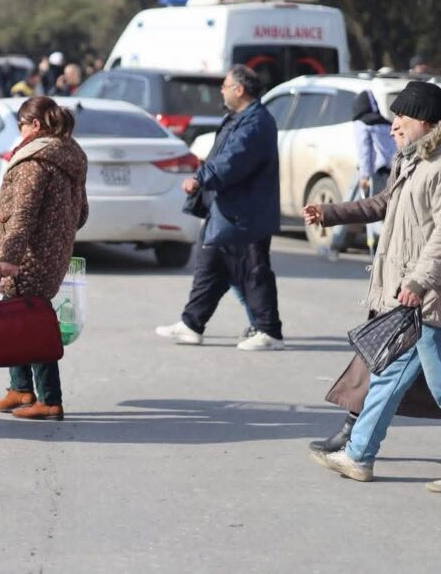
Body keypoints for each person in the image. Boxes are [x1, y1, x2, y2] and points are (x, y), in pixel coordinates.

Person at [307, 81, 441, 488]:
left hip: (428, 296)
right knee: (387, 376)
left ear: (425, 121)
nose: (393, 126)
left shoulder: (438, 167)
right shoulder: (412, 161)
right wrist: (330, 213)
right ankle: (358, 455)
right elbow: (382, 204)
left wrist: (419, 280)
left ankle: (358, 453)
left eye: (401, 117)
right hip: (411, 298)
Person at [155, 64, 284, 351]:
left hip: (246, 214)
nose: (222, 92)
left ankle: (269, 332)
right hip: (227, 209)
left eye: (225, 86)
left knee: (254, 271)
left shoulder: (255, 123)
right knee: (210, 267)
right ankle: (191, 324)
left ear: (239, 89)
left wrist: (201, 178)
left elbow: (233, 160)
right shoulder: (239, 118)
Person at [0, 96, 88, 421]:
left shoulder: (34, 160)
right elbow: (82, 212)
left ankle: (50, 399)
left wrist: (10, 255)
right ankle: (21, 388)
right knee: (17, 319)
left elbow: (24, 214)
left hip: (29, 256)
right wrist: (59, 233)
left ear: (36, 125)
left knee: (33, 324)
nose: (20, 132)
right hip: (51, 251)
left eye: (21, 126)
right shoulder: (70, 155)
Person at [328, 90, 395, 257]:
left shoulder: (362, 123)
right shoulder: (386, 123)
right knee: (381, 210)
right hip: (388, 173)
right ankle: (383, 247)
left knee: (351, 207)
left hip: (371, 172)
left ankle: (336, 244)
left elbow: (365, 151)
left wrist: (364, 175)